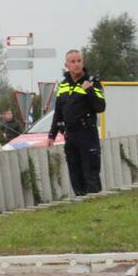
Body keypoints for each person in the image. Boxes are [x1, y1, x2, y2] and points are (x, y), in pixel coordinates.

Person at [47, 49, 106, 195]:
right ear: (67, 65)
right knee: (75, 175)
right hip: (71, 136)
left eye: (79, 61)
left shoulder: (92, 81)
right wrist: (51, 135)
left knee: (90, 175)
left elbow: (100, 107)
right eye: (73, 62)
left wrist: (90, 90)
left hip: (87, 134)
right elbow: (58, 112)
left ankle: (95, 207)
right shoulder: (63, 85)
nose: (76, 64)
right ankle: (81, 207)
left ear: (83, 63)